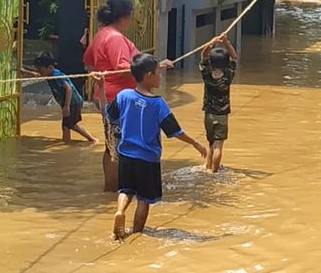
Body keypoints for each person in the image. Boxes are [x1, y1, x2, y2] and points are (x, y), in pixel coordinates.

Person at [98, 54, 206, 240]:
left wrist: (100, 86)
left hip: (126, 156)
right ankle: (136, 234)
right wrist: (196, 143)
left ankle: (120, 211)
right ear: (148, 75)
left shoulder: (123, 96)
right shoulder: (158, 104)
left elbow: (106, 112)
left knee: (125, 190)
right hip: (148, 159)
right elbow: (175, 132)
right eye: (158, 72)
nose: (161, 76)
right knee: (144, 199)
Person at [84, 0, 174, 192]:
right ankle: (120, 190)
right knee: (120, 146)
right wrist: (157, 65)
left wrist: (99, 81)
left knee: (111, 145)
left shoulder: (101, 34)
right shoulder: (115, 38)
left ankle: (110, 191)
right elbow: (124, 67)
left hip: (106, 96)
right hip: (121, 100)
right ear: (125, 16)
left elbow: (88, 60)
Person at [30, 52, 97, 143]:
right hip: (70, 102)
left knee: (68, 125)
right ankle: (82, 140)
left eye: (41, 70)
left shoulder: (56, 75)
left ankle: (71, 143)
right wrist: (24, 72)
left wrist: (66, 106)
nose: (40, 73)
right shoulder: (49, 74)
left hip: (73, 103)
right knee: (69, 125)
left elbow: (68, 89)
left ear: (49, 67)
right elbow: (37, 75)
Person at [199, 33, 238, 173]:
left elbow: (203, 55)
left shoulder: (207, 74)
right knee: (218, 145)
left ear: (211, 62)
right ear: (226, 63)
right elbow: (234, 57)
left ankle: (208, 167)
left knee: (211, 142)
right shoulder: (228, 74)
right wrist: (226, 42)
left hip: (208, 114)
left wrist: (211, 43)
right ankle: (214, 172)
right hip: (222, 115)